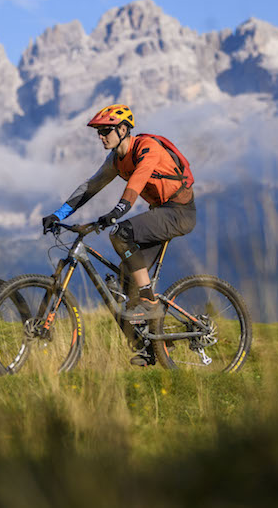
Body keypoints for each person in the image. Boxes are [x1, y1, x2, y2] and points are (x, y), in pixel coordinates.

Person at [41, 104, 196, 365]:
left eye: (106, 131)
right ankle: (148, 346)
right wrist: (59, 214)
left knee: (121, 233)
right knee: (123, 290)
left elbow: (138, 180)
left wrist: (117, 211)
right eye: (99, 132)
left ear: (123, 130)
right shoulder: (116, 159)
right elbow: (90, 186)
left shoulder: (147, 148)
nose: (101, 136)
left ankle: (148, 299)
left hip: (178, 211)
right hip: (159, 211)